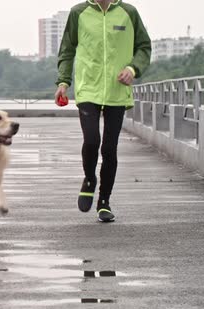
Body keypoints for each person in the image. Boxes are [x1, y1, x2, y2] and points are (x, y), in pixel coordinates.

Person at [55, 0, 151, 222]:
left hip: (118, 90)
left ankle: (104, 202)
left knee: (109, 148)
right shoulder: (78, 12)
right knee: (91, 141)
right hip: (88, 88)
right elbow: (67, 50)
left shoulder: (129, 12)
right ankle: (89, 179)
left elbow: (144, 47)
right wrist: (63, 82)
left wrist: (132, 68)